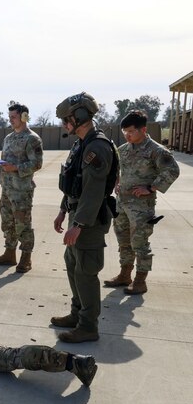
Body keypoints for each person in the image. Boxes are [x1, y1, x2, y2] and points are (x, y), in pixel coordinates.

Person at [51, 92, 118, 343]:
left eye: (66, 119)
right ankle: (77, 314)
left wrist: (78, 225)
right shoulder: (81, 143)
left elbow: (93, 191)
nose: (63, 124)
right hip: (77, 215)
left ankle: (88, 326)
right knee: (72, 265)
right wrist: (62, 210)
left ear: (78, 117)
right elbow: (74, 184)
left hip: (89, 221)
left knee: (86, 272)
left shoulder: (97, 146)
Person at [103, 110, 179, 294]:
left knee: (140, 243)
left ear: (143, 129)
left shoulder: (156, 151)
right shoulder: (123, 150)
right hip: (122, 205)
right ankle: (124, 275)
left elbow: (172, 171)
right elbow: (117, 169)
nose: (127, 135)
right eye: (124, 132)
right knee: (123, 241)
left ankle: (140, 280)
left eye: (131, 131)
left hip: (141, 207)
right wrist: (117, 182)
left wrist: (151, 188)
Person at [0, 104, 44, 273]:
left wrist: (15, 167)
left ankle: (26, 258)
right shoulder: (8, 138)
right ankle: (9, 253)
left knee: (22, 224)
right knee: (7, 224)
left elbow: (37, 163)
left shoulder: (32, 139)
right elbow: (2, 162)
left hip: (21, 191)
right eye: (10, 116)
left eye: (13, 117)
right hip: (6, 189)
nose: (10, 120)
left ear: (23, 117)